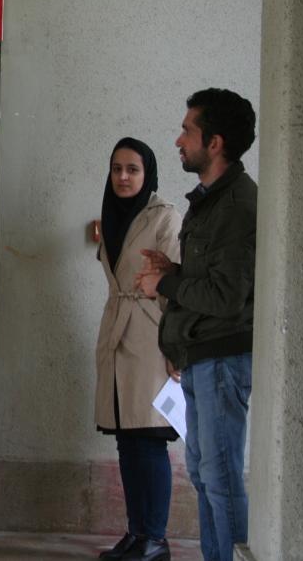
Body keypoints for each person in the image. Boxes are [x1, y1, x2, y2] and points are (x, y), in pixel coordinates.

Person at [135, 88, 257, 561]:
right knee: (206, 476)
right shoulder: (210, 200)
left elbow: (226, 297)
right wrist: (173, 271)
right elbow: (211, 280)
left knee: (220, 480)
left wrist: (165, 283)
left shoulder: (237, 206)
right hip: (203, 356)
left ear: (215, 142)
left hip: (223, 358)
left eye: (188, 130)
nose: (178, 140)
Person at [94, 138, 182, 561]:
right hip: (117, 334)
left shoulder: (164, 216)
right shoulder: (112, 215)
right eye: (117, 169)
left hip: (151, 337)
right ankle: (137, 533)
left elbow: (178, 285)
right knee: (127, 440)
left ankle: (155, 538)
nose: (123, 177)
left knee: (149, 438)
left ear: (148, 174)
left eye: (133, 169)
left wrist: (177, 346)